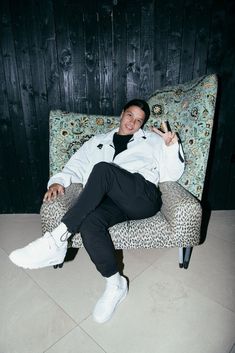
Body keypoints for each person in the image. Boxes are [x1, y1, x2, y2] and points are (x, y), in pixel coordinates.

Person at [9, 99, 184, 323]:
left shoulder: (151, 140)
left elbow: (172, 174)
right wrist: (58, 182)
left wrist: (171, 147)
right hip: (111, 202)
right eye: (130, 115)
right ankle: (115, 284)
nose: (133, 123)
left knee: (102, 170)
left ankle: (56, 240)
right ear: (122, 113)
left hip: (142, 197)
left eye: (139, 120)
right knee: (90, 222)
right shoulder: (97, 141)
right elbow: (74, 167)